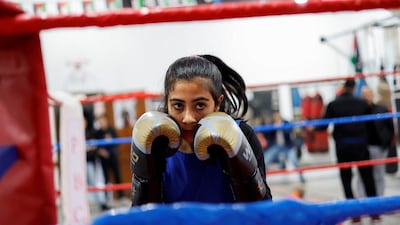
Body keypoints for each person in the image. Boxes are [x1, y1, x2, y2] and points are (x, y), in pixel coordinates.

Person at [130, 54, 272, 206]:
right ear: (167, 103)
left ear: (218, 102)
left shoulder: (241, 133)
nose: (188, 118)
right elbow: (143, 215)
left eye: (200, 105)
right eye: (178, 105)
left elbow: (263, 209)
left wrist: (245, 176)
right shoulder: (155, 141)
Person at [317, 79, 377, 224]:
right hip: (361, 146)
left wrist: (312, 127)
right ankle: (375, 212)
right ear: (354, 87)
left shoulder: (333, 104)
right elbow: (371, 124)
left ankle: (354, 214)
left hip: (343, 147)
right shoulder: (362, 103)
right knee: (368, 177)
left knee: (346, 179)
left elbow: (323, 126)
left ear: (343, 87)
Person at [355, 87, 394, 200]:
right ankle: (362, 201)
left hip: (379, 147)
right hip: (363, 148)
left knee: (379, 175)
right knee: (362, 176)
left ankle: (379, 200)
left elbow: (390, 127)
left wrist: (386, 142)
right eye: (364, 95)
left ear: (373, 95)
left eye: (369, 94)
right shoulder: (358, 111)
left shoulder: (381, 109)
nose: (367, 97)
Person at [263, 111, 305, 183]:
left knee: (294, 161)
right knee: (266, 159)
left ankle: (301, 177)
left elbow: (289, 132)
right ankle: (262, 179)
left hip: (287, 147)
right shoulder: (272, 123)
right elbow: (268, 136)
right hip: (277, 146)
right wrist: (271, 126)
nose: (276, 117)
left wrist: (281, 126)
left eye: (277, 116)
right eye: (275, 116)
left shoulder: (286, 123)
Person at [95, 113, 124, 199]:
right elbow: (96, 145)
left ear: (106, 120)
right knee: (105, 177)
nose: (101, 122)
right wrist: (101, 151)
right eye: (99, 121)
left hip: (113, 156)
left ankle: (121, 196)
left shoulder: (112, 130)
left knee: (117, 175)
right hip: (104, 158)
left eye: (102, 120)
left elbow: (117, 142)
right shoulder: (98, 132)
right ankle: (106, 197)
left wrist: (111, 141)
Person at [84, 116, 110, 211]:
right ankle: (100, 203)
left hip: (92, 160)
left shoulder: (90, 132)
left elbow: (95, 145)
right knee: (88, 183)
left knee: (95, 181)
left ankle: (102, 203)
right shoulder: (77, 133)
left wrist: (91, 148)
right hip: (83, 161)